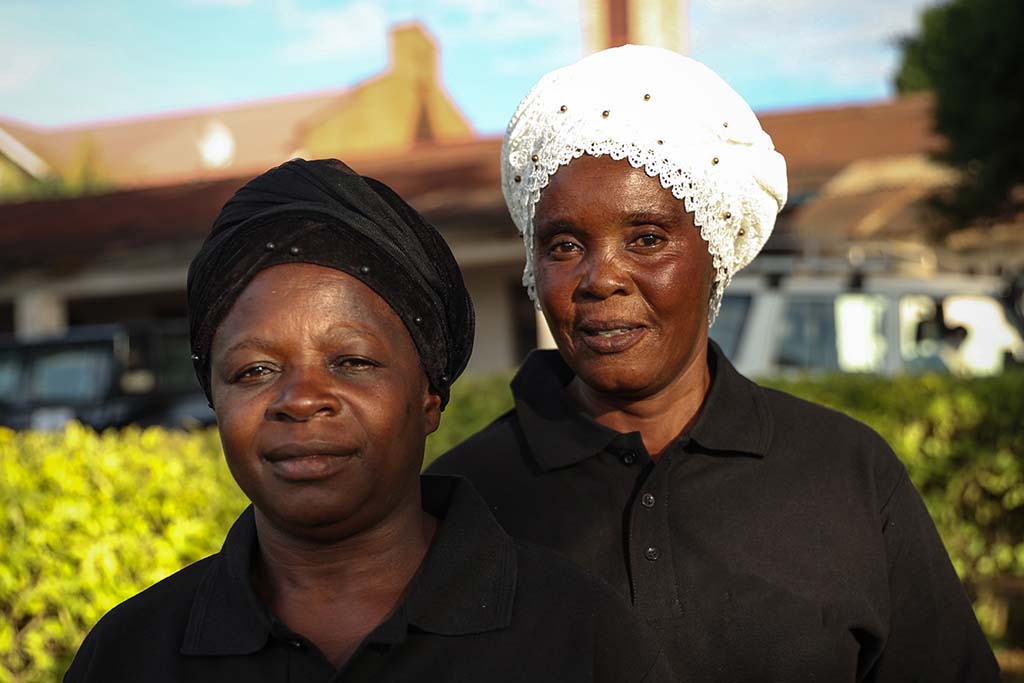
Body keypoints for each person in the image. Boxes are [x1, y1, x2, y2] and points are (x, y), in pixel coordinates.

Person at [429, 45, 999, 681]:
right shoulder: (463, 505)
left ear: (716, 253)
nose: (601, 279)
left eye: (647, 239)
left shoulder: (846, 472)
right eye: (565, 244)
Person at [64, 159, 672, 683]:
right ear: (214, 402)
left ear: (430, 397)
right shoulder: (133, 654)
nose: (301, 400)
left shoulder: (574, 634)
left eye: (351, 362)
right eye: (253, 371)